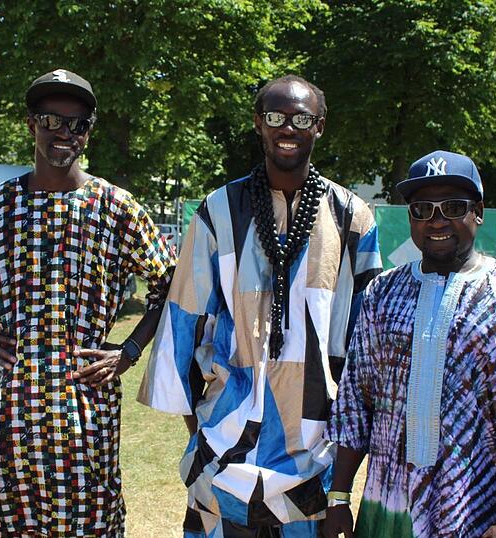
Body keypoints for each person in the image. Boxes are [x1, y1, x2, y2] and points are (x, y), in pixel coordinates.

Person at [138, 74, 383, 537]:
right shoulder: (218, 211)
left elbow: (366, 345)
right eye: (274, 117)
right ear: (258, 123)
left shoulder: (353, 217)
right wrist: (203, 435)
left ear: (320, 126)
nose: (287, 128)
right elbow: (183, 324)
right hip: (222, 456)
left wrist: (341, 487)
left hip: (315, 458)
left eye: (301, 118)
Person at [0, 68, 176, 537]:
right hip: (8, 407)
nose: (64, 133)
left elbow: (173, 284)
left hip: (86, 406)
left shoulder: (117, 209)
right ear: (30, 125)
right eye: (51, 120)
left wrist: (129, 350)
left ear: (89, 132)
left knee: (91, 521)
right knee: (8, 519)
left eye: (76, 124)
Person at [323, 150, 496, 538]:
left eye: (453, 206)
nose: (437, 220)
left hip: (480, 510)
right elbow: (356, 401)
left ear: (479, 211)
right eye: (422, 209)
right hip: (389, 510)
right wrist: (338, 497)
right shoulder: (382, 294)